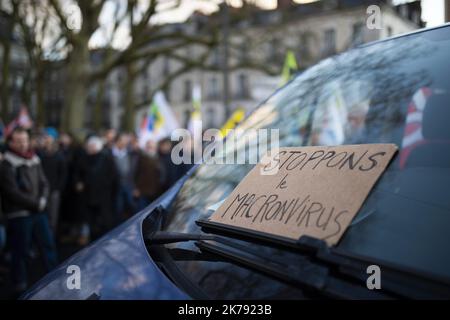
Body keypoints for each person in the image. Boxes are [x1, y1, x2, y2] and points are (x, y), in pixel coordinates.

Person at [0, 127, 57, 294]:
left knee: (48, 246)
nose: (23, 144)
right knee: (21, 251)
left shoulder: (34, 158)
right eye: (19, 141)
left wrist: (43, 200)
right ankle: (20, 285)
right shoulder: (6, 163)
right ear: (11, 142)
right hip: (19, 215)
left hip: (38, 212)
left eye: (24, 140)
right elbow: (11, 192)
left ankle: (55, 279)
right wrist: (36, 204)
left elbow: (44, 183)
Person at [74, 136, 119, 244]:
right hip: (88, 196)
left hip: (103, 196)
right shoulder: (83, 158)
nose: (88, 148)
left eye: (90, 146)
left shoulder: (107, 158)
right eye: (88, 146)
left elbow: (114, 178)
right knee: (91, 222)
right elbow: (77, 173)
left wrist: (110, 191)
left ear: (96, 147)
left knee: (103, 222)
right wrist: (78, 183)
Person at [37, 130, 67, 232]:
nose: (47, 141)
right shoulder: (40, 154)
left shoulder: (59, 156)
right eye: (46, 139)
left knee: (52, 218)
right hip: (41, 190)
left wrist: (58, 188)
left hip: (54, 190)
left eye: (49, 139)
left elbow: (63, 174)